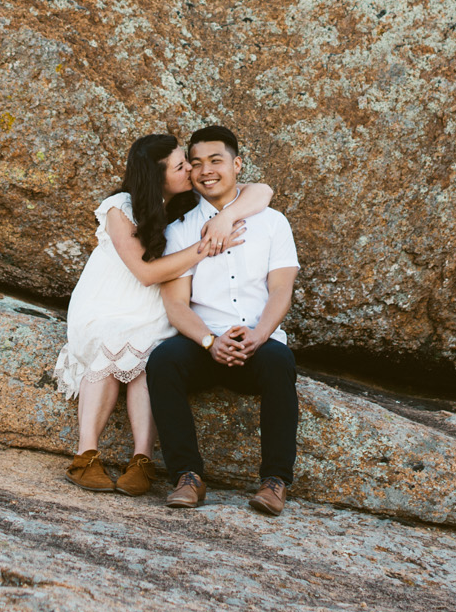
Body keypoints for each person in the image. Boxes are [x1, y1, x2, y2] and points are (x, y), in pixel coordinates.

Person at [52, 133, 275, 495]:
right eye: (181, 165)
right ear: (157, 176)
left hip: (154, 304)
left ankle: (141, 460)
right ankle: (85, 456)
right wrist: (207, 246)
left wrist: (226, 217)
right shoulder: (120, 208)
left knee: (150, 352)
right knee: (114, 342)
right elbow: (145, 273)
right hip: (109, 301)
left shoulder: (187, 203)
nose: (191, 169)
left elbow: (262, 191)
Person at [145, 125, 300, 516]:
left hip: (257, 342)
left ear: (237, 165)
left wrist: (258, 335)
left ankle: (274, 482)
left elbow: (282, 288)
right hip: (203, 343)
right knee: (163, 362)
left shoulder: (272, 222)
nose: (205, 170)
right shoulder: (178, 228)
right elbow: (176, 304)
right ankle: (188, 477)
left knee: (282, 362)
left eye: (216, 160)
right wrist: (210, 343)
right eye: (195, 163)